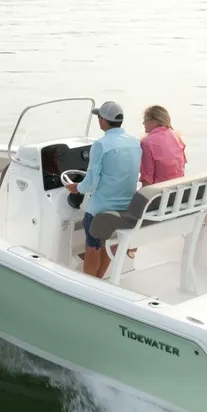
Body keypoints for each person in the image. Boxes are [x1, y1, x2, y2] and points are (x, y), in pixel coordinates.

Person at [65, 101, 141, 279]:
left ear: (104, 121)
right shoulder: (135, 142)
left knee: (93, 244)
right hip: (127, 208)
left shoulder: (100, 145)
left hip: (102, 210)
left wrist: (76, 188)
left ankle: (88, 284)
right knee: (109, 241)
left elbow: (90, 184)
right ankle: (98, 280)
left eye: (99, 117)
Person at [126, 105, 187, 259]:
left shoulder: (148, 143)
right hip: (178, 194)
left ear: (154, 121)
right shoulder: (176, 136)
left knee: (124, 201)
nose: (143, 123)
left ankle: (129, 245)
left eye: (145, 120)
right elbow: (181, 167)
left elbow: (147, 180)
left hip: (161, 198)